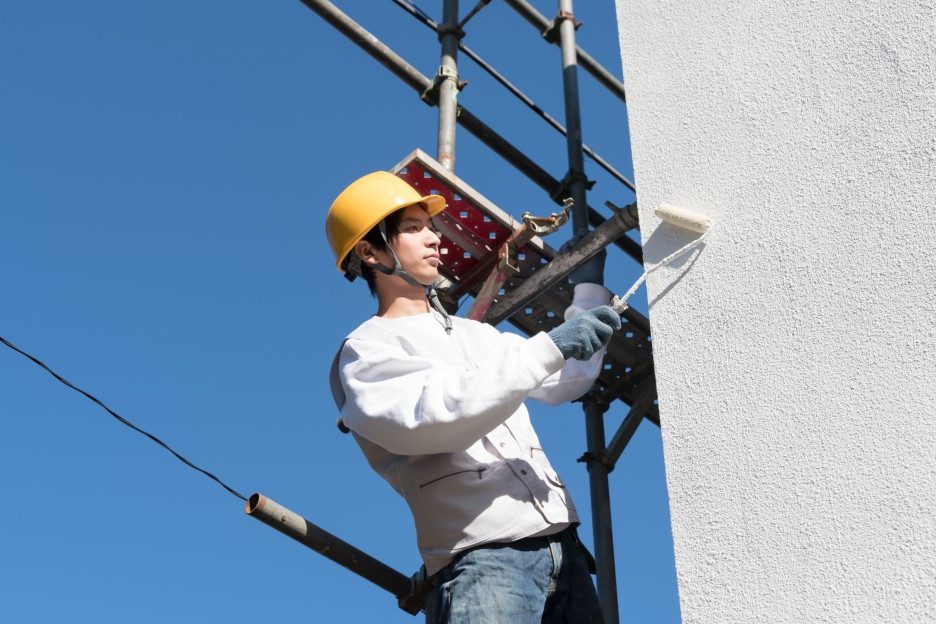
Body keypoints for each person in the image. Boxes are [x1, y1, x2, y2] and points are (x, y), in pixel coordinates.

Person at [326, 171, 620, 623]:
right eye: (412, 228)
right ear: (369, 252)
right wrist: (550, 346)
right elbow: (434, 418)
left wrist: (587, 291)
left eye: (432, 226)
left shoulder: (475, 336)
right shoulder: (367, 350)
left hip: (565, 550)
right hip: (483, 562)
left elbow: (566, 379)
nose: (434, 239)